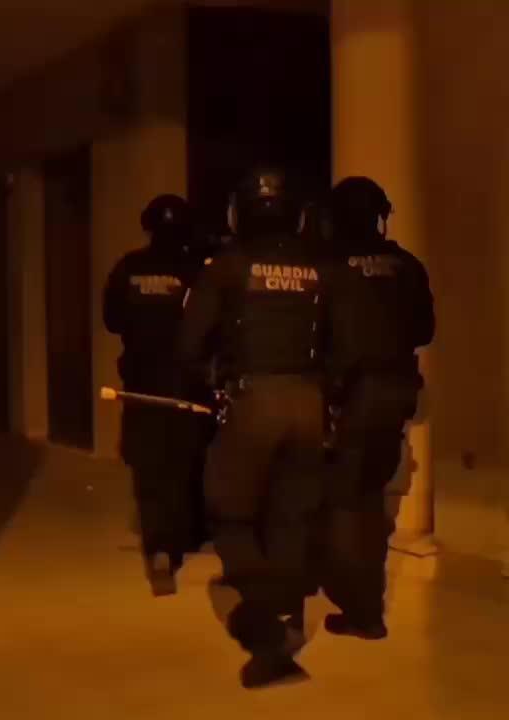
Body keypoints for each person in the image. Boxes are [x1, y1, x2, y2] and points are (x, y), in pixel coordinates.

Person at [180, 167, 325, 689]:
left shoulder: (226, 267)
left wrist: (211, 380)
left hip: (252, 404)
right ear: (296, 213)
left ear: (238, 213)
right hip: (310, 404)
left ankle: (265, 640)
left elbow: (189, 345)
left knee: (232, 514)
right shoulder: (319, 266)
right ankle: (287, 617)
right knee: (291, 518)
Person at [319, 176, 434, 640]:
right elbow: (425, 331)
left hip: (352, 397)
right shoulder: (407, 265)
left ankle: (362, 610)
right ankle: (364, 602)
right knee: (368, 501)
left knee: (347, 503)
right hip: (396, 394)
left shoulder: (328, 266)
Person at [102, 193, 213, 596]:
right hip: (186, 386)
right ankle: (182, 538)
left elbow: (112, 321)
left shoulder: (128, 268)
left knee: (148, 470)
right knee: (183, 465)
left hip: (142, 385)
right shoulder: (197, 270)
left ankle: (160, 552)